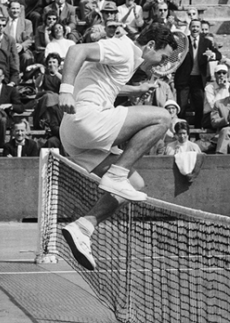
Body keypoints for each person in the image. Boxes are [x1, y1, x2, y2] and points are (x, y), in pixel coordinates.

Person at [58, 23, 177, 271]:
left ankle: (83, 227)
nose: (160, 64)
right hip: (87, 121)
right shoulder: (124, 48)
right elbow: (76, 51)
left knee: (134, 185)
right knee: (163, 118)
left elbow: (107, 83)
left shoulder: (127, 60)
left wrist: (137, 89)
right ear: (151, 45)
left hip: (73, 135)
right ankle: (117, 172)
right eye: (162, 57)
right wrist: (66, 90)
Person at [174, 19, 222, 128]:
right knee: (182, 105)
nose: (195, 29)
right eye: (193, 26)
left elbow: (219, 55)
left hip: (199, 79)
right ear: (189, 28)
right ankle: (181, 128)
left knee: (199, 105)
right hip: (184, 78)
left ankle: (198, 128)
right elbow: (173, 56)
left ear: (200, 29)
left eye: (197, 27)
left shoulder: (206, 42)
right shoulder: (183, 41)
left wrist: (212, 55)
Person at [202, 63, 230, 129]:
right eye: (219, 73)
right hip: (211, 115)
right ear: (215, 75)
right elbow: (213, 106)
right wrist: (221, 89)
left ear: (227, 75)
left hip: (226, 113)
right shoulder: (209, 88)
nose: (221, 75)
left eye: (224, 73)